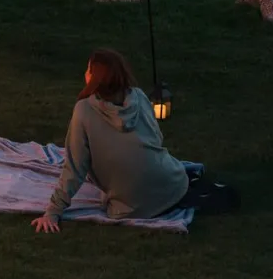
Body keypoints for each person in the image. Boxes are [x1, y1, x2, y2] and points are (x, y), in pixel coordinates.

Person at [31, 48, 191, 233]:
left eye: (88, 69)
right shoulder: (138, 96)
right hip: (173, 186)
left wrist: (53, 211)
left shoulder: (84, 110)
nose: (85, 73)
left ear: (95, 77)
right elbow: (156, 138)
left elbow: (75, 167)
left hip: (130, 207)